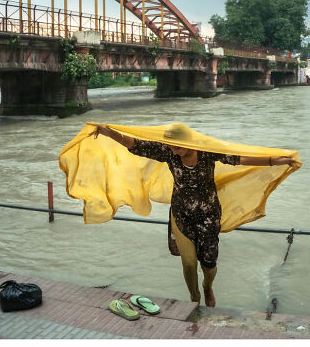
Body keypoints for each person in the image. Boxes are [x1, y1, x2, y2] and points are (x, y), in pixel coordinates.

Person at [93, 123, 296, 307]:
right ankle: (195, 297)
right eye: (171, 147)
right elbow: (137, 144)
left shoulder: (207, 152)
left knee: (208, 263)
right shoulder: (169, 152)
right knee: (189, 262)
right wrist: (109, 132)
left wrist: (274, 161)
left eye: (178, 147)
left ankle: (208, 286)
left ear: (187, 141)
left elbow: (240, 158)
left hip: (208, 215)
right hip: (181, 214)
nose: (175, 152)